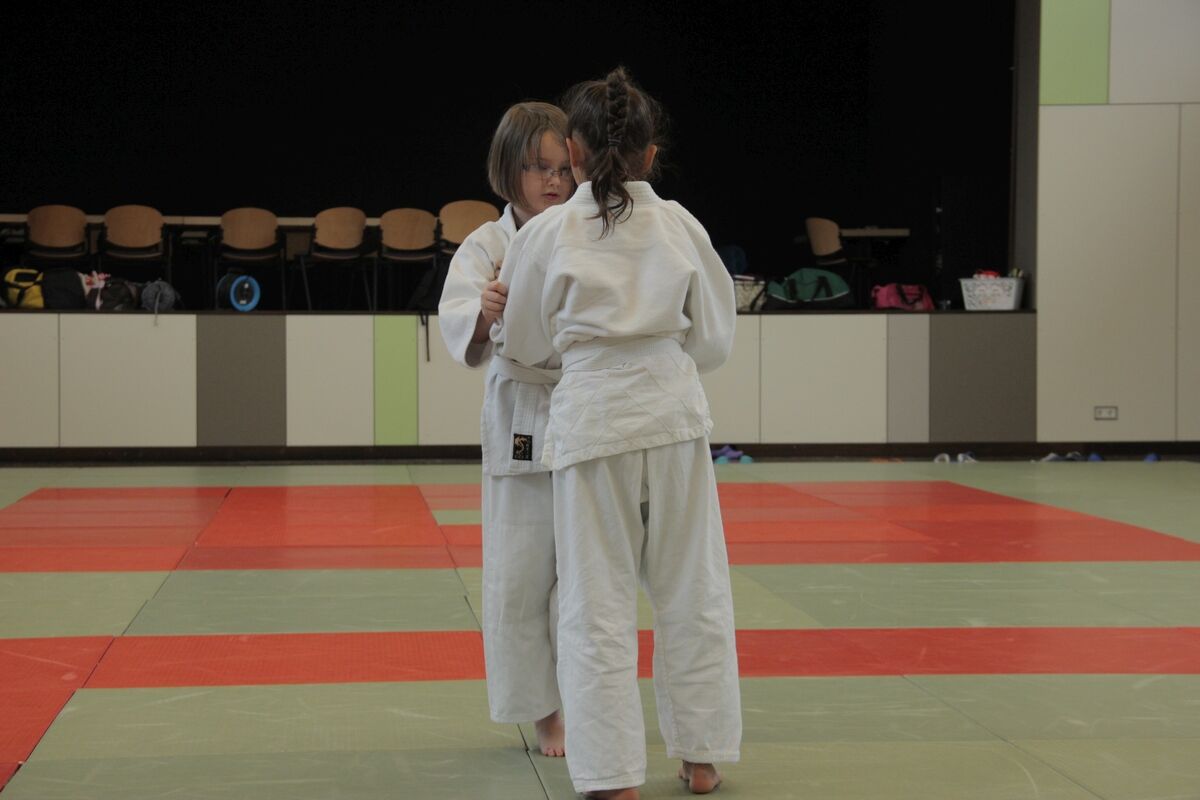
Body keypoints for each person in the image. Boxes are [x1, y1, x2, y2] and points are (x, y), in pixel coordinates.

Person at [493, 68, 742, 798]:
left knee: (594, 604)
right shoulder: (680, 225)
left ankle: (610, 774)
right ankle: (701, 757)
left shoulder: (546, 233)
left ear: (572, 152)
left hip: (592, 421)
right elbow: (714, 341)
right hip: (672, 416)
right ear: (650, 155)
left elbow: (525, 344)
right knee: (693, 588)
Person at [437, 100, 575, 757]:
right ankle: (540, 710)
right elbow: (459, 322)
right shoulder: (487, 245)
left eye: (564, 168)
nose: (553, 180)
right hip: (521, 412)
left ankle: (579, 696)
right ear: (508, 169)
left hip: (580, 408)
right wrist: (485, 311)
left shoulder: (585, 233)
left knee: (582, 572)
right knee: (521, 569)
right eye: (538, 167)